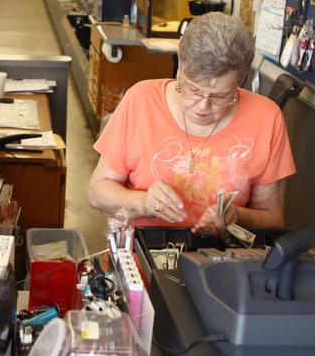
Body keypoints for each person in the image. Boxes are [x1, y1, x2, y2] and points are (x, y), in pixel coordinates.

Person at [88, 13, 295, 234]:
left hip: (223, 253)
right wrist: (144, 203)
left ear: (241, 80)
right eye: (193, 89)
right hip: (140, 250)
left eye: (220, 96)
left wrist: (238, 216)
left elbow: (273, 219)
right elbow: (97, 193)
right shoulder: (141, 100)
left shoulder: (266, 118)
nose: (202, 106)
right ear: (180, 68)